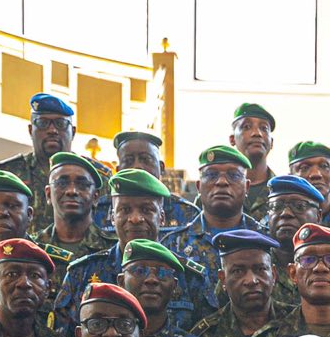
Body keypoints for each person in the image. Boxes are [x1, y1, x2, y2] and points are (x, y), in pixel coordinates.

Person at [55, 169, 211, 337]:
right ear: (112, 217)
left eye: (146, 210)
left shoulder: (189, 277)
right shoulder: (81, 274)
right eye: (125, 210)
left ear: (161, 217)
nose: (135, 218)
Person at [187, 229, 281, 337]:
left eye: (260, 269)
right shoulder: (204, 336)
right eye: (238, 271)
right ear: (223, 279)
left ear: (274, 275)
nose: (251, 280)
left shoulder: (295, 322)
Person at [164, 144, 265, 282]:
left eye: (234, 175)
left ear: (247, 187)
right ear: (199, 187)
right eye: (211, 175)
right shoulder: (172, 244)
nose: (222, 182)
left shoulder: (265, 238)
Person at [117, 240, 207, 337]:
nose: (151, 280)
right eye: (139, 271)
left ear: (174, 286)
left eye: (163, 273)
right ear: (121, 282)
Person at [0, 91, 76, 214]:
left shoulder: (93, 177)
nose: (52, 130)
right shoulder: (8, 174)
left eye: (61, 124)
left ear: (73, 132)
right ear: (30, 130)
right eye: (43, 123)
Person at [107, 130, 197, 233]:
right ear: (118, 170)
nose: (137, 166)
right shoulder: (99, 210)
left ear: (161, 168)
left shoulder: (187, 213)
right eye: (128, 161)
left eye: (146, 159)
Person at [39, 152, 114, 269]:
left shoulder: (114, 249)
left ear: (95, 197)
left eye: (82, 184)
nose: (72, 191)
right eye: (62, 183)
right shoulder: (33, 247)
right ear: (48, 194)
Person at [285, 139, 330, 232]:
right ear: (291, 177)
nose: (316, 174)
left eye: (324, 166)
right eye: (304, 168)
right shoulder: (283, 220)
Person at [232, 101, 278, 220]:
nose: (257, 133)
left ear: (272, 142)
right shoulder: (218, 191)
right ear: (232, 139)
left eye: (264, 128)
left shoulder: (283, 191)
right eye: (247, 127)